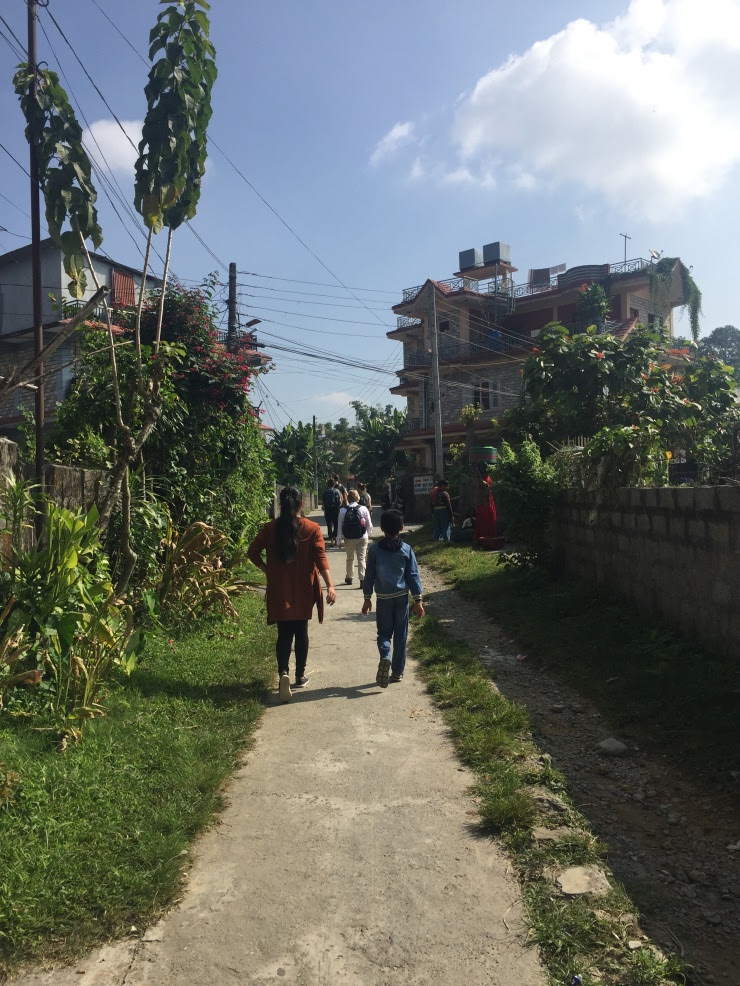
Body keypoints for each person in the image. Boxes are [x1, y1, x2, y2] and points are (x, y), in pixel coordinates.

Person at [247, 486, 336, 703]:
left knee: (284, 632)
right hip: (304, 587)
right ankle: (300, 675)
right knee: (301, 630)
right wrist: (330, 586)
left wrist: (267, 569)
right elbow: (320, 559)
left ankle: (283, 673)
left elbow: (252, 552)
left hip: (280, 588)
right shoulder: (312, 528)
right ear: (301, 505)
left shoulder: (269, 528)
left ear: (280, 502)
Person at [361, 509, 424, 687]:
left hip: (383, 599)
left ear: (382, 528)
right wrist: (418, 601)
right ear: (402, 528)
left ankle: (385, 655)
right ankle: (397, 672)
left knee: (384, 634)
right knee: (400, 636)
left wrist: (367, 598)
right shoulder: (406, 549)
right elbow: (413, 575)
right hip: (402, 599)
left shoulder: (374, 550)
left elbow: (369, 575)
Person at [336, 489, 373, 585]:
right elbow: (369, 525)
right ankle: (362, 579)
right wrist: (368, 535)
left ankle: (349, 577)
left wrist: (338, 540)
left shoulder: (343, 510)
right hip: (362, 537)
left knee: (350, 558)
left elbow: (339, 526)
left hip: (348, 538)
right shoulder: (364, 509)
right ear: (358, 498)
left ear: (348, 498)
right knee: (361, 558)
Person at [473, 462, 498, 545]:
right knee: (486, 523)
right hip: (487, 505)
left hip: (485, 505)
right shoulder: (488, 478)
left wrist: (477, 470)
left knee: (484, 524)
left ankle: (484, 539)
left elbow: (481, 482)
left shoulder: (485, 482)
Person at [431, 478, 454, 542]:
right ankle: (447, 541)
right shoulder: (445, 494)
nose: (448, 487)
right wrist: (451, 516)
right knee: (445, 526)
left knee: (437, 526)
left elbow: (431, 504)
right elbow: (449, 505)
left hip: (435, 511)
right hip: (444, 511)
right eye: (446, 486)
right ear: (442, 485)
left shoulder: (433, 493)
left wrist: (432, 513)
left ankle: (435, 539)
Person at [322, 477, 341, 547]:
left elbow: (323, 502)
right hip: (336, 510)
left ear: (328, 484)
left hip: (328, 511)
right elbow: (340, 501)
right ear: (333, 484)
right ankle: (336, 540)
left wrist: (324, 508)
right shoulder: (337, 491)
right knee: (336, 524)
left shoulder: (325, 491)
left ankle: (331, 541)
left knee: (329, 525)